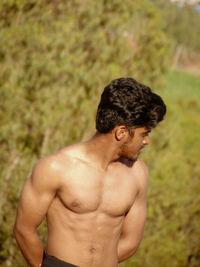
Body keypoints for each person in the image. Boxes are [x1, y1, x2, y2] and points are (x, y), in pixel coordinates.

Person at [14, 77, 166, 267]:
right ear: (121, 133)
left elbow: (131, 241)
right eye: (144, 134)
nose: (147, 141)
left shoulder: (138, 174)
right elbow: (24, 228)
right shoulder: (56, 167)